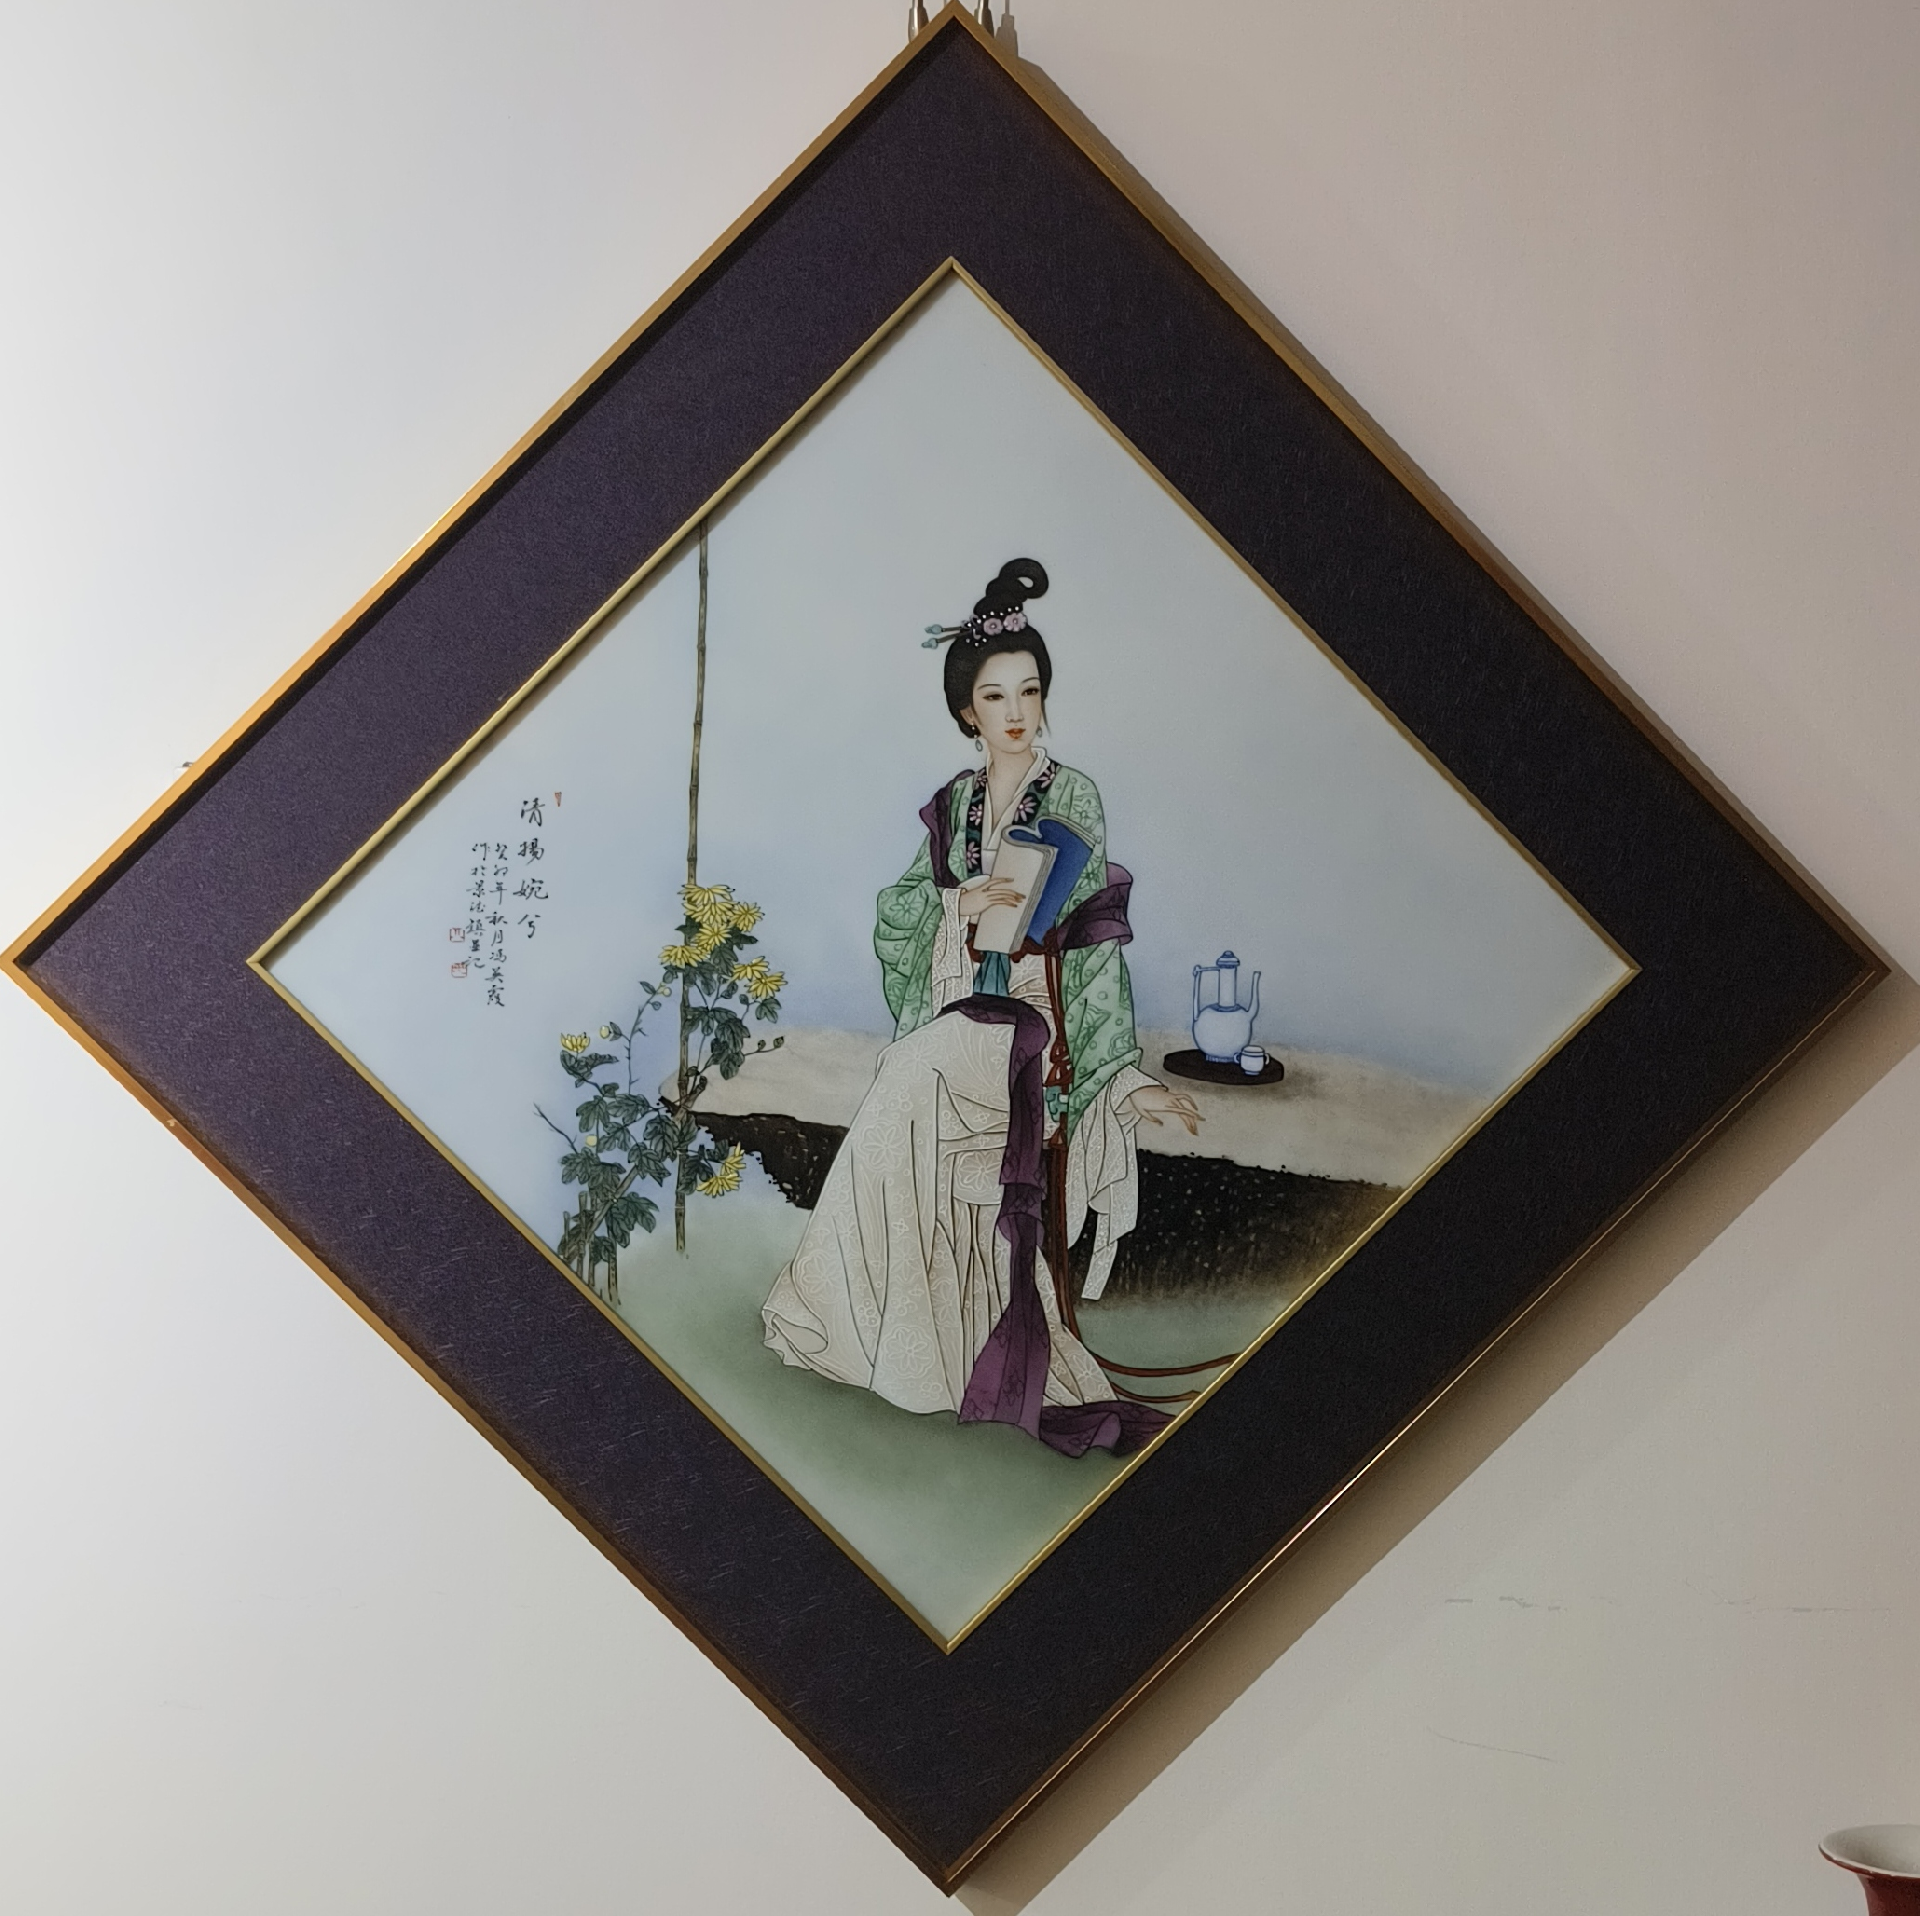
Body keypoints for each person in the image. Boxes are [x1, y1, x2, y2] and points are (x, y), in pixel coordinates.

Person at [761, 559, 1200, 1457]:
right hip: (961, 1017)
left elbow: (1088, 939)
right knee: (905, 1082)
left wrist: (1120, 1075)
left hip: (1036, 1028)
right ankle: (887, 1342)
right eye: (996, 696)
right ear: (967, 711)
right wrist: (955, 901)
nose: (1016, 711)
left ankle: (891, 1336)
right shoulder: (955, 805)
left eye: (1029, 691)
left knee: (907, 1075)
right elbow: (898, 911)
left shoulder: (1071, 795)